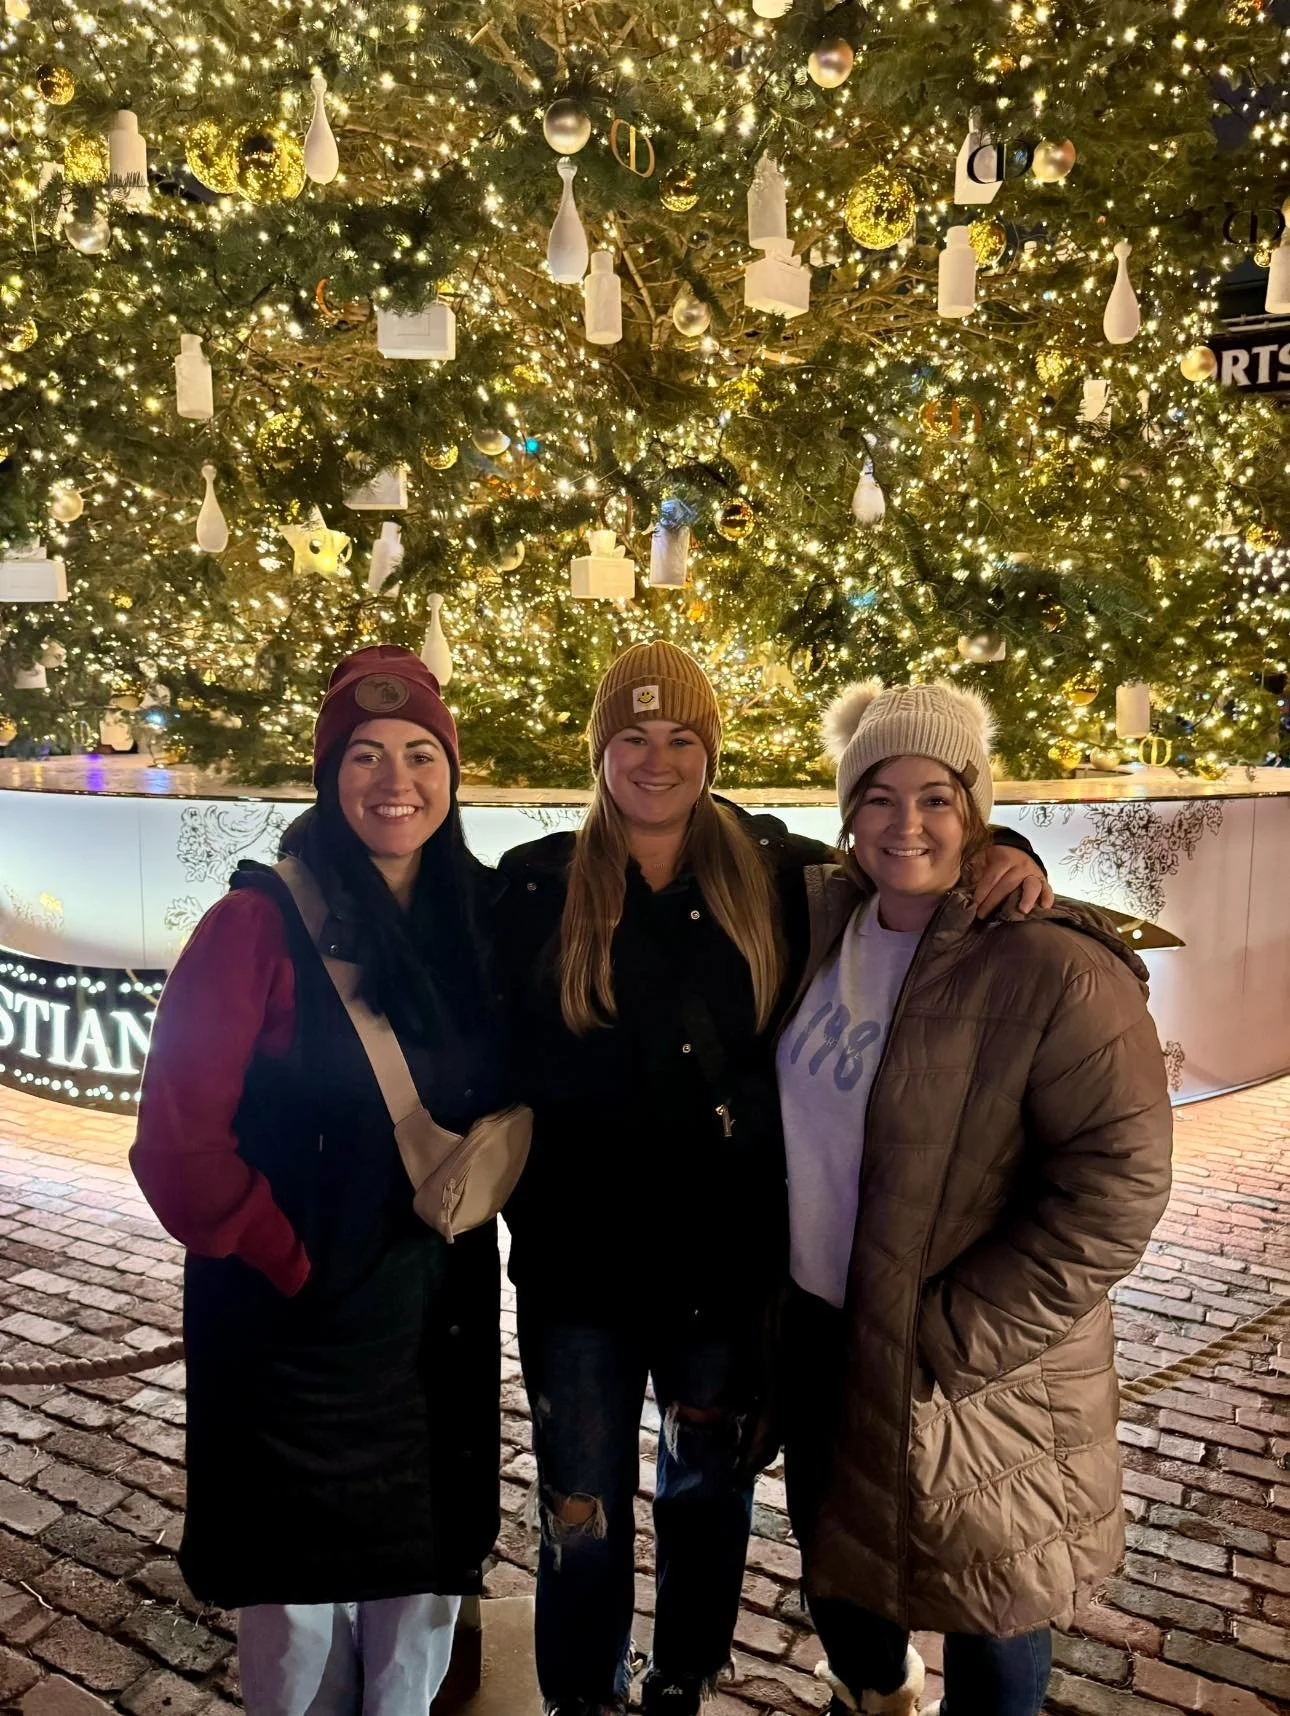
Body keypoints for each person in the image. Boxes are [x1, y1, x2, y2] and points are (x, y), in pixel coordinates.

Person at [496, 642, 1051, 1716]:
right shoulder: (534, 885)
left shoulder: (779, 872)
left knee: (706, 1495)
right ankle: (582, 1694)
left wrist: (1010, 847)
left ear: (712, 751)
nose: (658, 760)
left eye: (683, 739)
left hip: (721, 1274)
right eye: (633, 738)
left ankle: (681, 1679)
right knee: (580, 1504)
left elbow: (910, 865)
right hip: (579, 1278)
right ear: (599, 751)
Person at [776, 679, 1174, 1716]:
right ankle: (876, 1697)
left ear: (977, 808)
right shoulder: (820, 926)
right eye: (877, 794)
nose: (905, 821)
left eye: (937, 796)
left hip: (974, 1363)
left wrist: (957, 1332)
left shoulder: (1053, 967)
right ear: (847, 812)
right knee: (845, 1574)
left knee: (995, 1606)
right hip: (824, 1331)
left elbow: (1117, 1185)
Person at [131, 645, 508, 1716]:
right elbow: (176, 1146)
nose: (396, 781)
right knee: (293, 1606)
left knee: (422, 1579)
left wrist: (986, 847)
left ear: (452, 770)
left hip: (437, 1319)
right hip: (294, 1328)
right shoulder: (250, 927)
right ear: (328, 776)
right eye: (366, 756)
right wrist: (287, 1259)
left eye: (421, 754)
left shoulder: (477, 918)